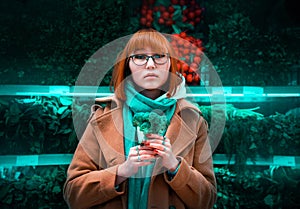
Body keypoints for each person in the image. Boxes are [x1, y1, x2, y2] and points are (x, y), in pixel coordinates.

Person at [63, 28, 217, 209]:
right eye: (140, 57)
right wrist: (121, 172)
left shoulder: (193, 120)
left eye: (159, 56)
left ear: (170, 64)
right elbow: (73, 194)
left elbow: (207, 199)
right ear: (127, 64)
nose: (150, 65)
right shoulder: (102, 116)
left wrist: (175, 166)